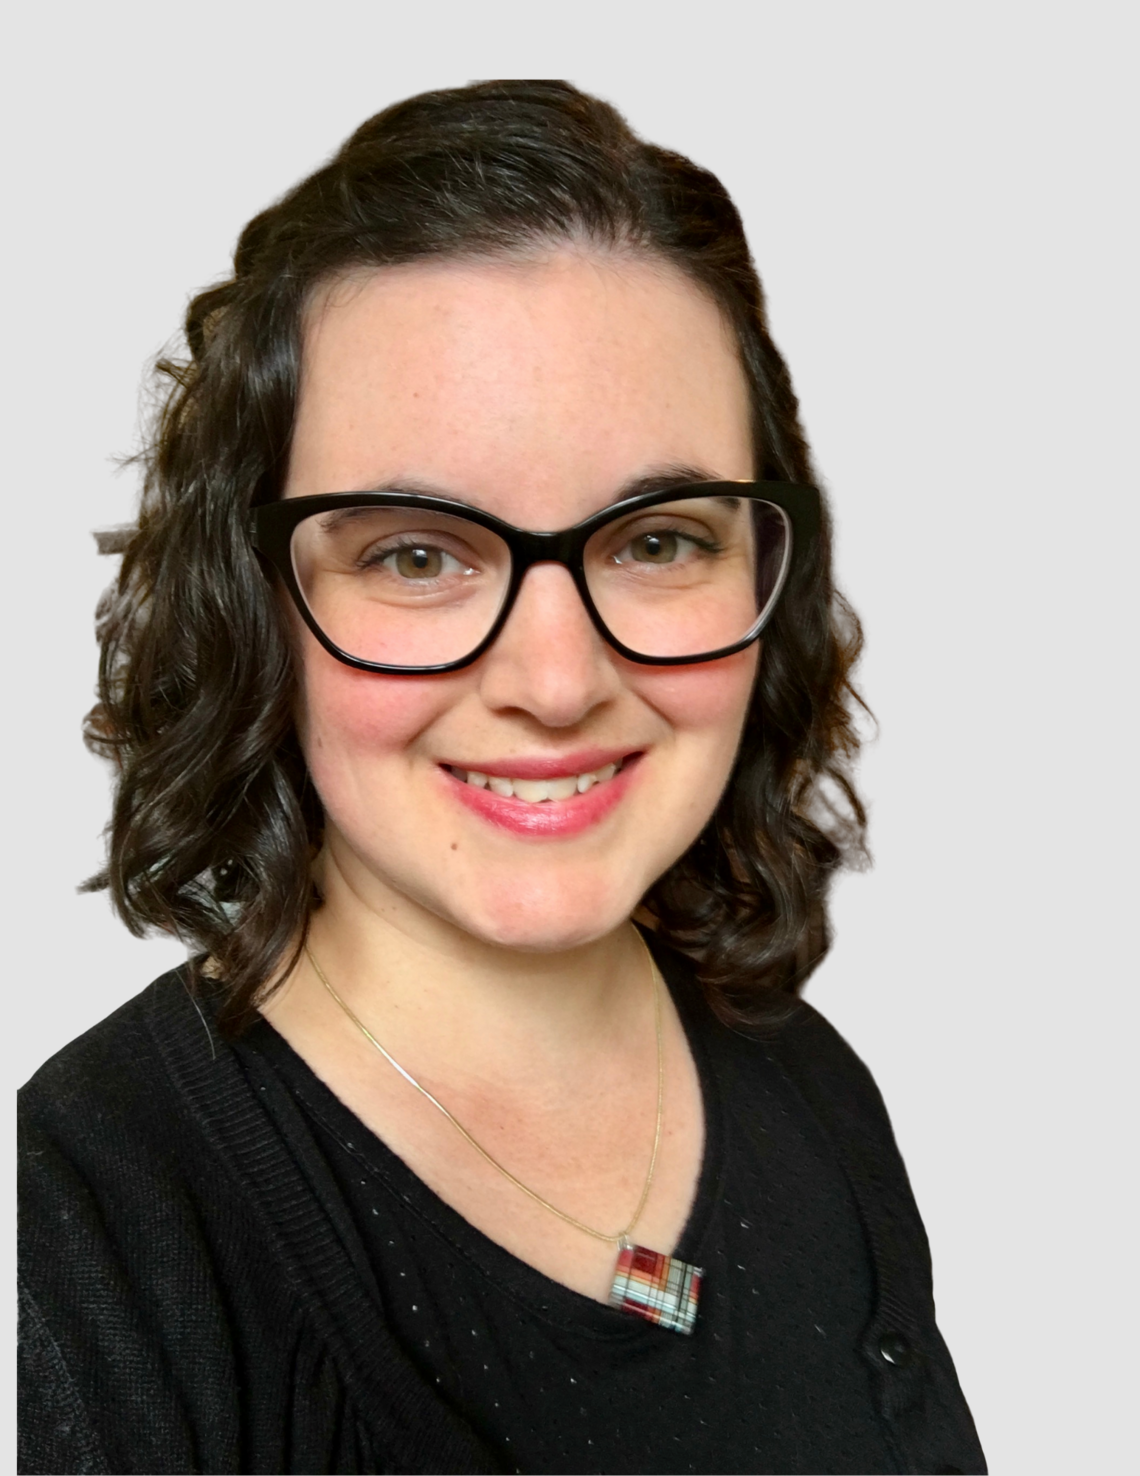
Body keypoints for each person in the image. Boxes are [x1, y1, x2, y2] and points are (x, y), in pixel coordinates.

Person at [17, 79, 986, 1475]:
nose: (554, 680)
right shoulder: (77, 1237)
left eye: (656, 541)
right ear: (253, 603)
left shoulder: (809, 1089)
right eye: (416, 553)